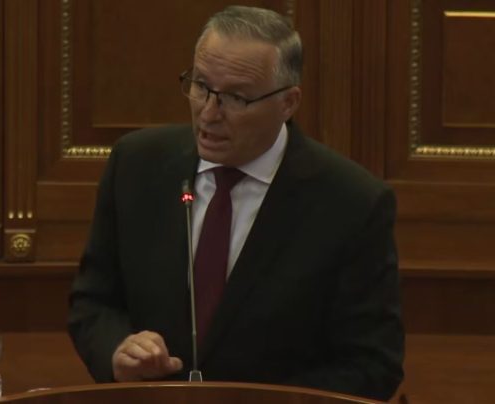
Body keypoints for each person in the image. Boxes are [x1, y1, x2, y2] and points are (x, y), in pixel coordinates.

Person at [68, 5, 404, 401]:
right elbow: (94, 302)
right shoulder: (135, 165)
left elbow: (372, 364)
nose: (209, 113)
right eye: (201, 86)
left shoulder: (352, 203)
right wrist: (116, 352)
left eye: (236, 98)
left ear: (288, 102)